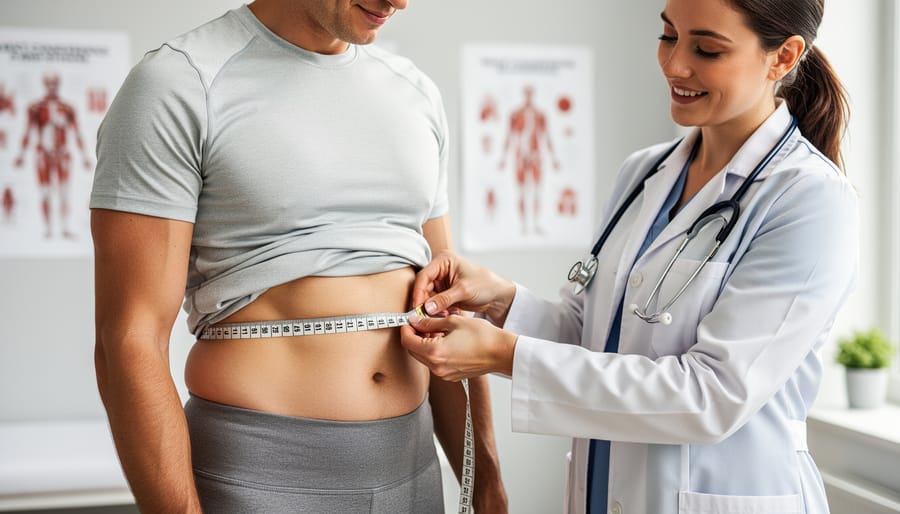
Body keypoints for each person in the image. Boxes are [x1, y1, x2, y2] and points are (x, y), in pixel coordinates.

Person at [402, 0, 856, 512]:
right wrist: (502, 302)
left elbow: (711, 396)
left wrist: (504, 355)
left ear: (784, 56)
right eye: (668, 36)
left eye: (706, 49)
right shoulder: (643, 175)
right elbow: (595, 337)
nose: (675, 65)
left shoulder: (808, 198)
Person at [89, 0, 507, 512]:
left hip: (415, 472)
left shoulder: (414, 92)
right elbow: (128, 341)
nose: (399, 1)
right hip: (260, 473)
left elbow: (445, 305)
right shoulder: (179, 83)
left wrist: (486, 474)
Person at [15, 72, 92, 239]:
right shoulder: (36, 108)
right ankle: (48, 228)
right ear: (44, 84)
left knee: (64, 192)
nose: (52, 86)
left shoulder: (68, 108)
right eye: (49, 83)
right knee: (45, 192)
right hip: (43, 153)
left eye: (54, 83)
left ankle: (64, 227)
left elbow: (77, 132)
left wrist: (84, 156)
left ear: (58, 84)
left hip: (62, 154)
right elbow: (28, 131)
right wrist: (21, 154)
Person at [498, 84, 560, 235]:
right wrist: (504, 157)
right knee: (521, 191)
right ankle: (523, 225)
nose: (528, 96)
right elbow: (509, 136)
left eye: (530, 93)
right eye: (526, 93)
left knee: (537, 191)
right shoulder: (515, 114)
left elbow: (546, 136)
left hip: (535, 155)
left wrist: (553, 158)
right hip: (520, 156)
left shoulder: (540, 115)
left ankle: (536, 223)